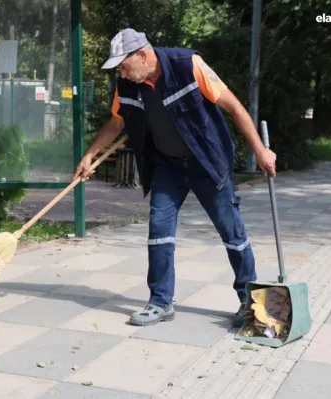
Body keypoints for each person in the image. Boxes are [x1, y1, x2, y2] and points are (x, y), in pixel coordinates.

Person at [73, 28, 277, 328]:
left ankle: (249, 301)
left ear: (141, 55)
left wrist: (260, 150)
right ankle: (160, 302)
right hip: (167, 164)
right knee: (159, 231)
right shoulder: (128, 85)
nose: (122, 72)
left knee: (231, 233)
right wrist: (90, 155)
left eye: (123, 65)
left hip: (207, 161)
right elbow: (116, 123)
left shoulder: (188, 65)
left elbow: (234, 107)